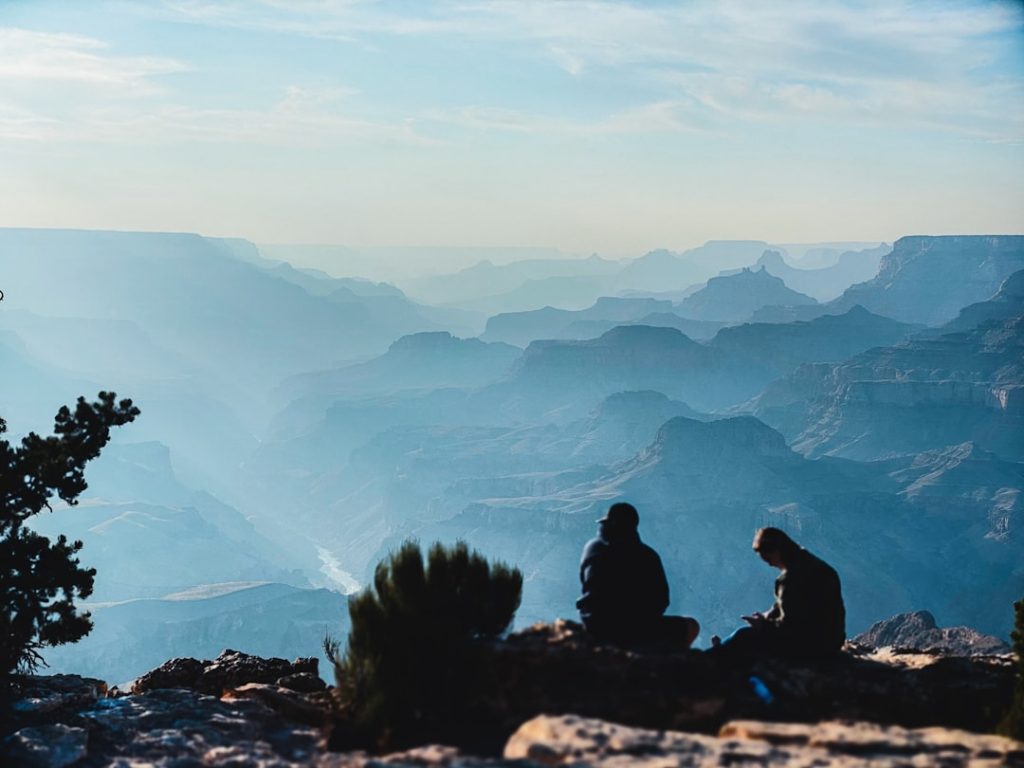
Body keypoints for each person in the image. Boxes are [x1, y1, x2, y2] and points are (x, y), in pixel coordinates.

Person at [577, 502, 699, 649]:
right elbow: (661, 600)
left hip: (593, 624)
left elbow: (585, 582)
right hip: (634, 630)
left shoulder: (592, 547)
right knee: (691, 625)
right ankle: (675, 660)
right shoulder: (648, 555)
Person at [712, 526, 845, 661]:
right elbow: (790, 607)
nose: (769, 564)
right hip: (833, 641)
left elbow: (791, 628)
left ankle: (716, 655)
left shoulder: (789, 580)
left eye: (768, 559)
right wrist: (766, 616)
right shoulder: (817, 566)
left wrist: (762, 625)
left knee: (743, 636)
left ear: (777, 551)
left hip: (811, 648)